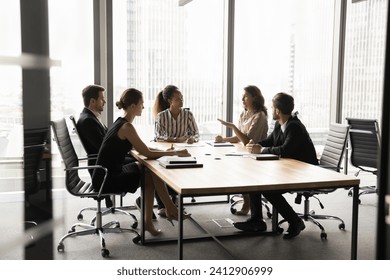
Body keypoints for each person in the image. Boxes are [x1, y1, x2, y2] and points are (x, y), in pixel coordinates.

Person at [92, 88, 191, 236]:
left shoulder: (120, 122)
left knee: (148, 171)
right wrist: (174, 152)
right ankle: (169, 209)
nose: (143, 107)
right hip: (107, 179)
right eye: (141, 104)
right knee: (150, 169)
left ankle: (153, 219)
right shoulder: (127, 127)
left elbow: (140, 148)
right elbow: (147, 153)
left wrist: (164, 151)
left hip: (104, 173)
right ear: (133, 106)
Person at [234, 92, 318, 239]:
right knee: (255, 180)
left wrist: (262, 150)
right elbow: (270, 141)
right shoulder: (281, 125)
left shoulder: (294, 127)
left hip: (305, 172)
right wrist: (256, 145)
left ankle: (295, 221)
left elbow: (285, 150)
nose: (271, 110)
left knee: (268, 188)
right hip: (290, 169)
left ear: (277, 110)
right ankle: (256, 221)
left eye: (273, 107)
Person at [216, 85, 268, 215]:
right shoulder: (244, 113)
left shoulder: (259, 116)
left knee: (242, 171)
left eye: (245, 96)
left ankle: (248, 203)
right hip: (245, 153)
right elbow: (239, 138)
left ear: (254, 97)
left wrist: (232, 126)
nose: (242, 99)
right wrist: (224, 139)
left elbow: (247, 141)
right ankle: (248, 201)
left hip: (256, 154)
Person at [152, 85, 200, 216]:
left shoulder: (188, 114)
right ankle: (163, 204)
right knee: (159, 171)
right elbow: (158, 137)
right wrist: (176, 139)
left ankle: (174, 200)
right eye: (178, 99)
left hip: (184, 151)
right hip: (166, 151)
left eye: (182, 98)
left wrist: (192, 139)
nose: (181, 101)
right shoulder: (161, 116)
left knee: (184, 171)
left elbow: (196, 134)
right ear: (169, 101)